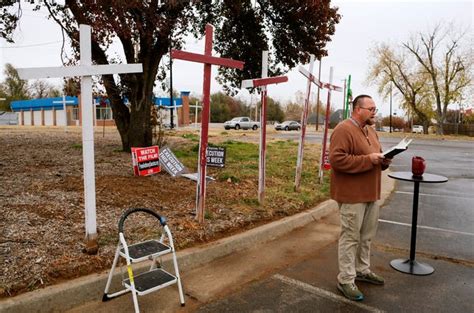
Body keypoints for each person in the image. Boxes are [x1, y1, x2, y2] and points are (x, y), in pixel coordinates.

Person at [329, 94, 391, 301]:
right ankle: (346, 279)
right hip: (352, 195)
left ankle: (362, 270)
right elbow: (337, 160)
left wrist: (384, 161)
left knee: (366, 236)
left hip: (371, 193)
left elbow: (378, 155)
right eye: (371, 109)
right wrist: (369, 159)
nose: (375, 112)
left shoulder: (370, 130)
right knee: (350, 237)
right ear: (357, 109)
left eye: (375, 108)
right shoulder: (343, 129)